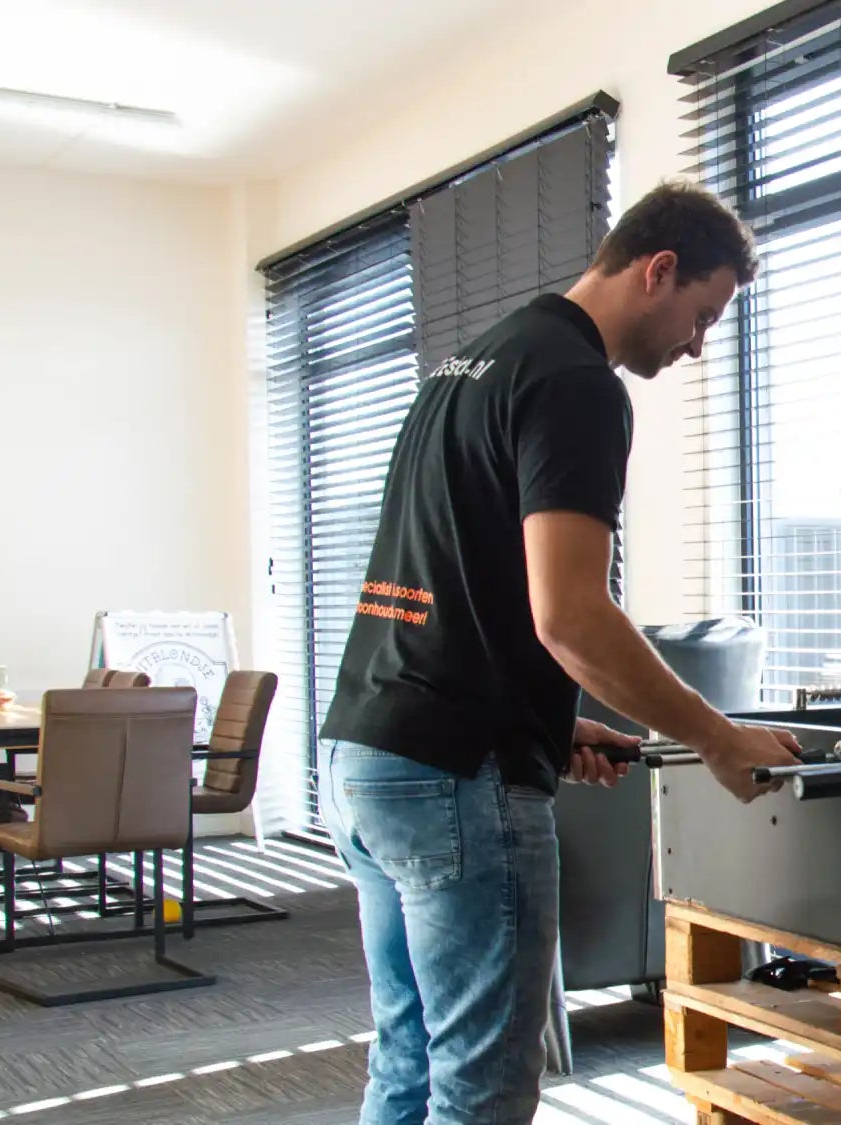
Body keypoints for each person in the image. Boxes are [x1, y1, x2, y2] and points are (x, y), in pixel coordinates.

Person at [315, 179, 804, 1125]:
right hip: (451, 780)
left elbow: (461, 581)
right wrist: (716, 736)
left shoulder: (475, 360)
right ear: (657, 270)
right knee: (483, 1085)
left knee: (409, 1063)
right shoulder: (580, 383)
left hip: (367, 752)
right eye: (702, 314)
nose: (699, 344)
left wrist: (545, 717)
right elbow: (571, 616)